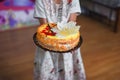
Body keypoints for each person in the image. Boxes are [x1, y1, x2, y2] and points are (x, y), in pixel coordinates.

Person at [33, 0, 86, 80]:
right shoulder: (41, 1)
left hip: (67, 45)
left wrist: (68, 43)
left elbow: (71, 24)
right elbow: (45, 28)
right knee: (46, 72)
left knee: (66, 72)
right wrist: (56, 42)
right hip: (47, 47)